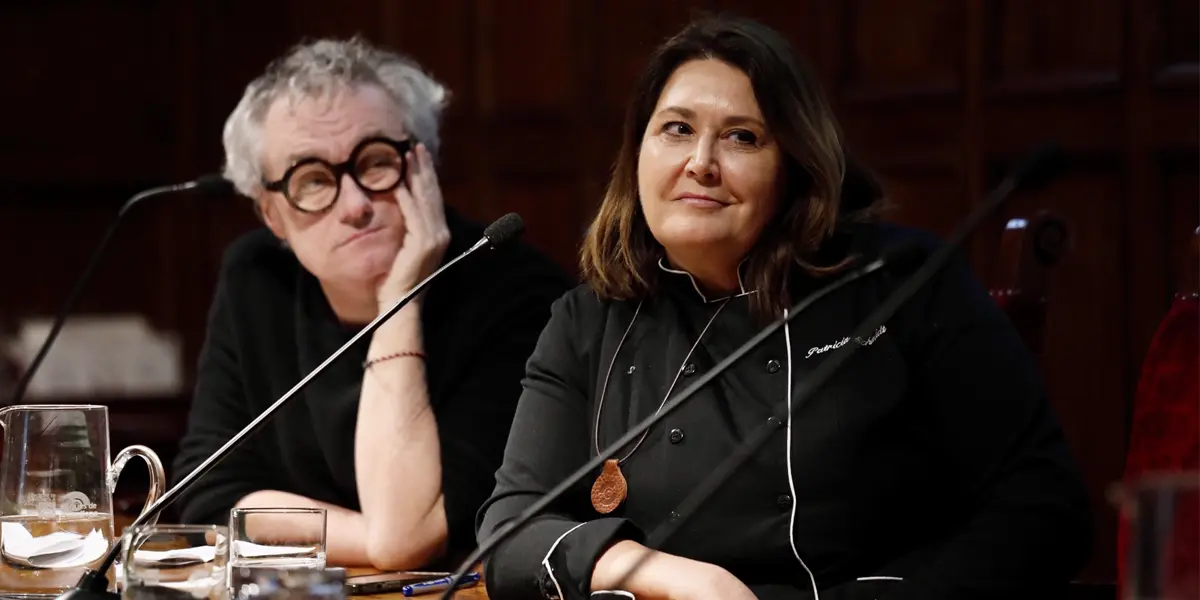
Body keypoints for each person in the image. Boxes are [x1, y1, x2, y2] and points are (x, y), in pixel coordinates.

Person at [476, 15, 1092, 600]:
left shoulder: (901, 284)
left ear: (795, 167)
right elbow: (511, 532)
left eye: (742, 137)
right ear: (637, 153)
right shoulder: (589, 319)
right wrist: (674, 577)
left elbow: (1043, 508)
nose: (701, 163)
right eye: (677, 129)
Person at [172, 37, 571, 570]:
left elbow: (417, 531)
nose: (356, 205)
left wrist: (400, 301)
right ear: (272, 215)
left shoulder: (518, 290)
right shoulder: (256, 278)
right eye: (311, 180)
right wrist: (373, 539)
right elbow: (209, 496)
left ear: (422, 165)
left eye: (377, 162)